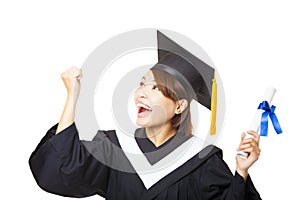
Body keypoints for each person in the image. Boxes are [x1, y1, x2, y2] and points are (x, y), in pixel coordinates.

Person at [29, 31, 262, 199]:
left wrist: (241, 170)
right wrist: (73, 97)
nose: (141, 93)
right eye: (142, 84)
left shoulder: (200, 161)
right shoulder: (115, 148)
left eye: (156, 89)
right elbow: (60, 168)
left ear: (179, 106)